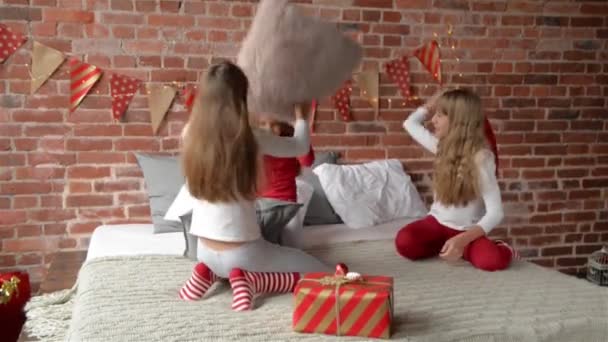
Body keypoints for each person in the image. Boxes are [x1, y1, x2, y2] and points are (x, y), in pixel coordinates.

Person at [178, 61, 330, 311]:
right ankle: (254, 279)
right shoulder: (251, 138)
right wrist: (302, 117)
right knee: (323, 271)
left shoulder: (189, 134)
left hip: (203, 251)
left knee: (234, 258)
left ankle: (207, 274)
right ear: (241, 97)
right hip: (243, 255)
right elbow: (300, 147)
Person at [395, 88, 518, 271]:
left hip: (467, 230)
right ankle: (447, 246)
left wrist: (462, 240)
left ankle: (501, 248)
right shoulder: (440, 148)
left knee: (492, 262)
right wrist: (430, 104)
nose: (433, 120)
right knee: (405, 243)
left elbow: (495, 213)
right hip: (437, 223)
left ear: (458, 121)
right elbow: (410, 123)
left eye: (440, 115)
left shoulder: (482, 159)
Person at [257, 119, 315, 203]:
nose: (268, 129)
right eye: (262, 124)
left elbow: (307, 161)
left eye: (274, 125)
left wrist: (298, 125)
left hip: (284, 201)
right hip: (258, 202)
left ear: (283, 126)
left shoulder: (291, 141)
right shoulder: (256, 141)